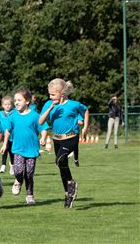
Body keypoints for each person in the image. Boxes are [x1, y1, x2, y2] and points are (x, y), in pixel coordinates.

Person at [39, 78, 89, 209]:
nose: (51, 97)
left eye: (53, 94)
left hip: (71, 137)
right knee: (62, 166)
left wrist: (85, 128)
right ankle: (68, 194)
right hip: (57, 139)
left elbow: (86, 110)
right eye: (49, 94)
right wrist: (50, 108)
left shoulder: (73, 104)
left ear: (62, 93)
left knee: (60, 159)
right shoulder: (48, 105)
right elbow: (40, 121)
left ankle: (71, 183)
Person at [1, 89, 48, 205]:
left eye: (19, 100)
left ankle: (30, 195)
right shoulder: (12, 116)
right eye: (15, 100)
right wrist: (5, 144)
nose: (16, 102)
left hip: (32, 149)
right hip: (18, 149)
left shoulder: (35, 116)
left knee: (29, 173)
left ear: (27, 101)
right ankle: (18, 180)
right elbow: (7, 131)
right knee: (18, 170)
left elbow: (43, 128)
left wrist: (43, 138)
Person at [0, 95, 15, 175]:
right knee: (5, 149)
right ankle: (3, 165)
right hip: (4, 135)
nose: (7, 106)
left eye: (9, 104)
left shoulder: (14, 112)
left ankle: (12, 165)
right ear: (2, 105)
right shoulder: (0, 114)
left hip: (13, 136)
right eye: (5, 104)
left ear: (11, 105)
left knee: (12, 152)